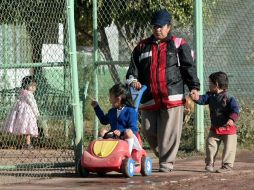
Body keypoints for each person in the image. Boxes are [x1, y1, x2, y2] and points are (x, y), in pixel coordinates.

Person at [126, 9, 200, 172]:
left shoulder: (179, 44)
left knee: (169, 132)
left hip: (172, 95)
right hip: (149, 96)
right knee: (148, 128)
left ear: (169, 26)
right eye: (154, 27)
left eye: (161, 26)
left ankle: (166, 163)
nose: (157, 29)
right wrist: (133, 81)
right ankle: (163, 155)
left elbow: (189, 68)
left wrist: (194, 87)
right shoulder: (142, 46)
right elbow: (133, 70)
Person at [191, 71, 240, 173]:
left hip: (228, 130)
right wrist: (196, 97)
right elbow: (202, 99)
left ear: (216, 84)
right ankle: (209, 163)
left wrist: (231, 119)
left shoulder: (229, 98)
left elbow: (235, 110)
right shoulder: (210, 95)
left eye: (210, 83)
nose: (208, 85)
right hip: (215, 128)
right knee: (210, 144)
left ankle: (227, 166)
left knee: (229, 149)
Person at [91, 83, 142, 154]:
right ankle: (100, 154)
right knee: (102, 131)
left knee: (128, 132)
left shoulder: (130, 111)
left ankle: (127, 155)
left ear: (118, 98)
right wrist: (96, 107)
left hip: (126, 137)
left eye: (111, 97)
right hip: (114, 136)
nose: (109, 99)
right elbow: (103, 120)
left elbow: (133, 129)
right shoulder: (112, 111)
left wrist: (121, 131)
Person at [3, 76, 40, 149]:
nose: (33, 88)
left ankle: (19, 144)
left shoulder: (21, 92)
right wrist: (36, 113)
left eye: (34, 86)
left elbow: (17, 102)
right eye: (31, 86)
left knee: (19, 128)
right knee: (27, 128)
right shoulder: (29, 94)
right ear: (26, 85)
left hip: (19, 112)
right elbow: (33, 104)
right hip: (27, 113)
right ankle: (28, 144)